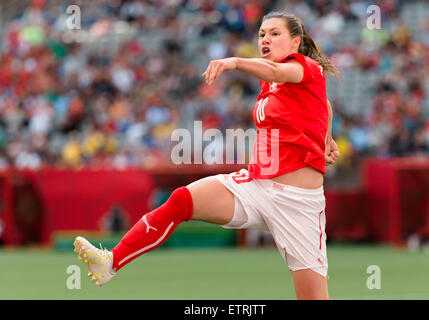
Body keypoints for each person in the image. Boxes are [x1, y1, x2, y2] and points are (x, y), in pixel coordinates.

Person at [74, 11, 340, 300]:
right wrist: (327, 137)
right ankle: (110, 263)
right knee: (181, 200)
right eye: (262, 34)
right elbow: (322, 103)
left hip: (297, 203)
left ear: (295, 42)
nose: (266, 39)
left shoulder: (305, 67)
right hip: (257, 185)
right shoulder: (270, 81)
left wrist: (234, 61)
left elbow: (287, 77)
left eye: (275, 34)